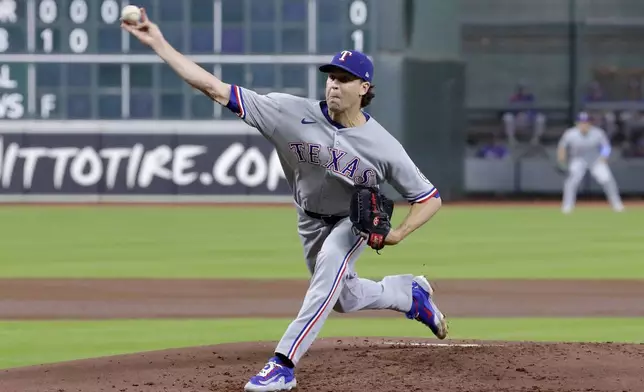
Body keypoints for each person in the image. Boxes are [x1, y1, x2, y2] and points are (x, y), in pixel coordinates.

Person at [121, 9, 448, 392]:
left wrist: (398, 234)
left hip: (351, 222)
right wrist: (158, 42)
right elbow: (213, 87)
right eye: (330, 77)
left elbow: (429, 198)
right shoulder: (288, 113)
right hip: (309, 218)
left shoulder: (385, 147)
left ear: (364, 88)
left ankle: (283, 363)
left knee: (328, 274)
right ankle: (408, 294)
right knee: (343, 297)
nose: (333, 85)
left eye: (345, 80)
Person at [557, 112, 625, 214]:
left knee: (607, 179)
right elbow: (562, 146)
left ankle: (617, 204)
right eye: (581, 122)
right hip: (578, 159)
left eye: (586, 122)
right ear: (577, 123)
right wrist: (561, 157)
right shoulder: (570, 133)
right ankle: (567, 206)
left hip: (595, 160)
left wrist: (604, 156)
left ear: (590, 123)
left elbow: (606, 146)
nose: (584, 124)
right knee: (571, 182)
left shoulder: (598, 133)